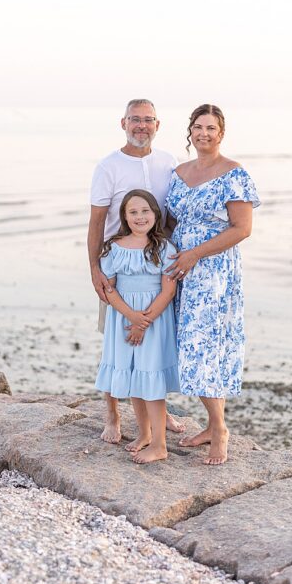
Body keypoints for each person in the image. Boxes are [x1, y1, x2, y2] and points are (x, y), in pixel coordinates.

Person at [163, 104, 260, 465]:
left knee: (205, 346)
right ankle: (210, 424)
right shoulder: (178, 173)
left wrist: (194, 255)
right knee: (186, 344)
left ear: (221, 133)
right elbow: (170, 223)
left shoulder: (234, 173)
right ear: (190, 131)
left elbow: (241, 228)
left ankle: (219, 430)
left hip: (213, 271)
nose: (204, 133)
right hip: (179, 268)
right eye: (198, 127)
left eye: (211, 127)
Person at [88, 99, 184, 443]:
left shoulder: (170, 162)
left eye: (147, 120)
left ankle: (159, 413)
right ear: (123, 123)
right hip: (118, 269)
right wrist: (95, 269)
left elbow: (174, 214)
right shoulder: (108, 167)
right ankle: (112, 415)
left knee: (155, 345)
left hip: (158, 263)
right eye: (134, 120)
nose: (141, 126)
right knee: (115, 341)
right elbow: (97, 221)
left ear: (157, 125)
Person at [94, 190, 180, 463]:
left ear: (155, 214)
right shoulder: (114, 247)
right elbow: (109, 290)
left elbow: (168, 291)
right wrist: (131, 317)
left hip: (154, 319)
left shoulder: (164, 248)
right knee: (134, 376)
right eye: (133, 212)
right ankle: (143, 434)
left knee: (150, 378)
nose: (140, 217)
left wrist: (144, 321)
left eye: (145, 211)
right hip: (124, 318)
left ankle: (159, 444)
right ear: (124, 217)